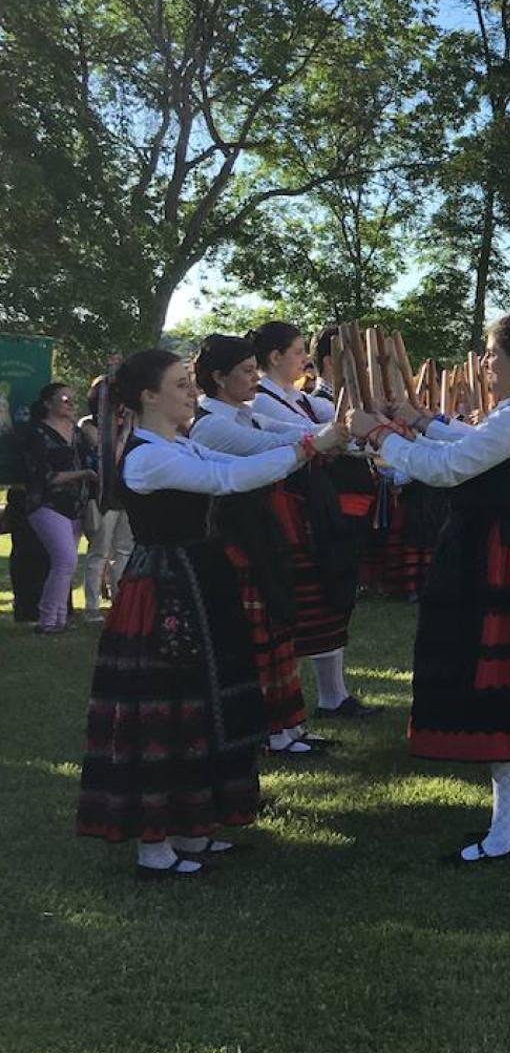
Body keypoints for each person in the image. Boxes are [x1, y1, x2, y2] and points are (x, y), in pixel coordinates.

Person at [78, 349, 338, 877]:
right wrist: (315, 443)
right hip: (167, 588)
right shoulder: (148, 457)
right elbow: (232, 481)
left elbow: (240, 467)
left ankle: (190, 831)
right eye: (178, 385)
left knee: (205, 701)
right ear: (148, 396)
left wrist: (317, 442)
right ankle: (155, 847)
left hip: (198, 579)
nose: (189, 393)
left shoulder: (181, 445)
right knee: (170, 708)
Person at [352, 313, 510, 861]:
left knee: (507, 691)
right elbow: (471, 441)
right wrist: (422, 419)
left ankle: (506, 833)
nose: (485, 364)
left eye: (490, 354)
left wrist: (380, 435)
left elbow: (450, 468)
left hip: (497, 556)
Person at [189, 335, 324, 757]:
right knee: (257, 635)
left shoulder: (244, 414)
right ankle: (268, 729)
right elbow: (267, 449)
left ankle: (289, 725)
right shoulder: (212, 425)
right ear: (218, 378)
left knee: (277, 627)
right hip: (234, 539)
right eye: (246, 371)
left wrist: (345, 430)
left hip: (260, 532)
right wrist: (327, 439)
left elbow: (297, 430)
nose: (254, 378)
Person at [248, 321, 370, 721]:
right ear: (275, 357)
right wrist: (336, 434)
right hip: (287, 509)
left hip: (313, 507)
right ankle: (298, 700)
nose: (305, 359)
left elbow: (338, 425)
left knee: (327, 598)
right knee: (303, 603)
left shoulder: (297, 396)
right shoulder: (263, 400)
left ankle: (334, 695)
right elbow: (306, 433)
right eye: (299, 351)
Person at [20, 382, 93, 633]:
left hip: (75, 506)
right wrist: (83, 473)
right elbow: (43, 477)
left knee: (66, 564)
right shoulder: (37, 433)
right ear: (47, 404)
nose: (71, 403)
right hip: (46, 504)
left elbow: (93, 457)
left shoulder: (77, 432)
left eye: (73, 398)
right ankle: (47, 620)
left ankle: (60, 619)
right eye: (64, 398)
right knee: (65, 560)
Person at [79, 375, 133, 622]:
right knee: (99, 551)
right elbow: (106, 452)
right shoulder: (90, 425)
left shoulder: (131, 425)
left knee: (124, 550)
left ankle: (119, 602)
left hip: (127, 496)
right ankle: (92, 606)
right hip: (103, 496)